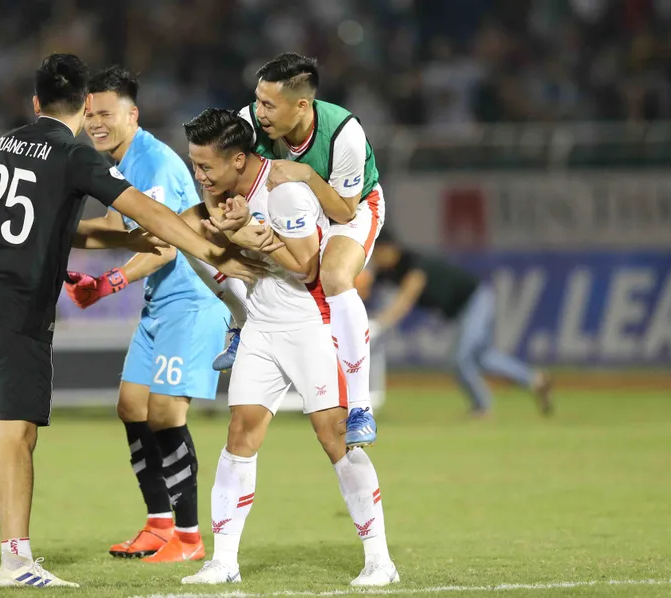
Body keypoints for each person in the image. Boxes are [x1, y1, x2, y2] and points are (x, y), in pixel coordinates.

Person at [0, 53, 261, 588]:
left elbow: (59, 225)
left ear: (35, 102)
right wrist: (213, 252)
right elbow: (152, 213)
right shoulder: (75, 155)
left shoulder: (8, 142)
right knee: (17, 434)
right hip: (17, 307)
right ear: (85, 106)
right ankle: (16, 562)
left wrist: (128, 241)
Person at [177, 108, 398, 588]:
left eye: (206, 166)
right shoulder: (224, 193)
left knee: (334, 436)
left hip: (310, 324)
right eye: (194, 164)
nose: (199, 175)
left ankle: (379, 560)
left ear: (238, 159)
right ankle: (224, 562)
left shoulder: (285, 193)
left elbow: (306, 268)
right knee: (241, 432)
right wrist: (229, 238)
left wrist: (250, 238)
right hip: (262, 322)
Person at [63, 66, 229, 563]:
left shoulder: (152, 163)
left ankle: (190, 538)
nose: (95, 123)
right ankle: (159, 524)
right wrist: (58, 231)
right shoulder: (123, 164)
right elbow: (117, 226)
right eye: (89, 115)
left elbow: (165, 245)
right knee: (132, 407)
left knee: (164, 412)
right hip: (162, 301)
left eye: (105, 114)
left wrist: (109, 282)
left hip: (193, 301)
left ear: (132, 115)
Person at [215, 53, 385, 449]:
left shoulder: (343, 133)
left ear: (302, 106)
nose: (259, 112)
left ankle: (360, 407)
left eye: (269, 104)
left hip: (351, 207)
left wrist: (306, 174)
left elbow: (343, 210)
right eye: (258, 100)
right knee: (214, 237)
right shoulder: (249, 122)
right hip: (292, 208)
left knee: (335, 276)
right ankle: (239, 324)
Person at [362, 228, 553, 418]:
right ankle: (536, 379)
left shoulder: (413, 264)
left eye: (376, 252)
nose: (375, 258)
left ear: (389, 249)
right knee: (483, 357)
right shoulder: (387, 271)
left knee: (460, 358)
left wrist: (379, 323)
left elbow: (404, 301)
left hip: (476, 301)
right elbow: (364, 288)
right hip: (466, 308)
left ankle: (482, 408)